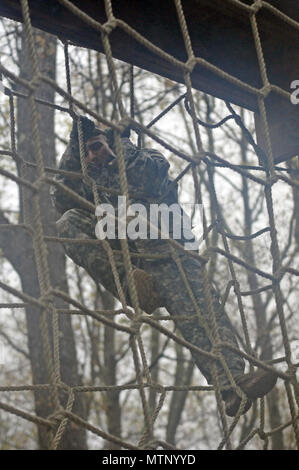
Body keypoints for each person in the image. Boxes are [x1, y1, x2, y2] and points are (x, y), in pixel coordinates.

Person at [51, 116, 277, 417]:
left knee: (201, 311)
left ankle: (232, 386)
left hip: (168, 250)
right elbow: (62, 198)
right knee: (67, 222)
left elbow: (144, 177)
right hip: (132, 255)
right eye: (87, 153)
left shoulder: (146, 159)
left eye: (96, 147)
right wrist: (74, 148)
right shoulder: (91, 181)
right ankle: (132, 285)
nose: (92, 156)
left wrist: (120, 143)